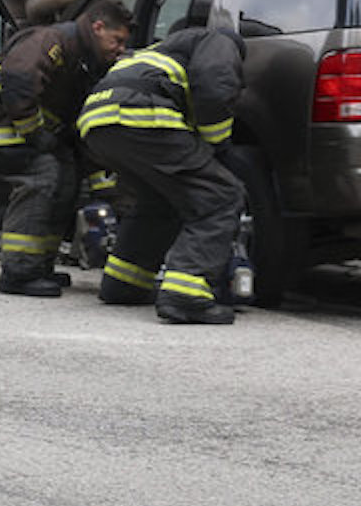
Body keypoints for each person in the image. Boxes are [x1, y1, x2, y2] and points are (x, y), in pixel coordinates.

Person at [0, 0, 133, 297]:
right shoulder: (52, 41)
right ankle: (18, 273)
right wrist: (37, 136)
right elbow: (20, 84)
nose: (121, 49)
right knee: (43, 174)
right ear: (98, 27)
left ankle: (38, 266)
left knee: (66, 180)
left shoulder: (86, 59)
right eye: (117, 40)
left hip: (18, 124)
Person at [76, 25, 247, 324]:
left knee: (158, 201)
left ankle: (124, 283)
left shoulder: (157, 51)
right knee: (219, 196)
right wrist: (217, 146)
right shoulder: (218, 40)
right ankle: (186, 295)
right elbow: (215, 89)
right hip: (141, 112)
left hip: (97, 121)